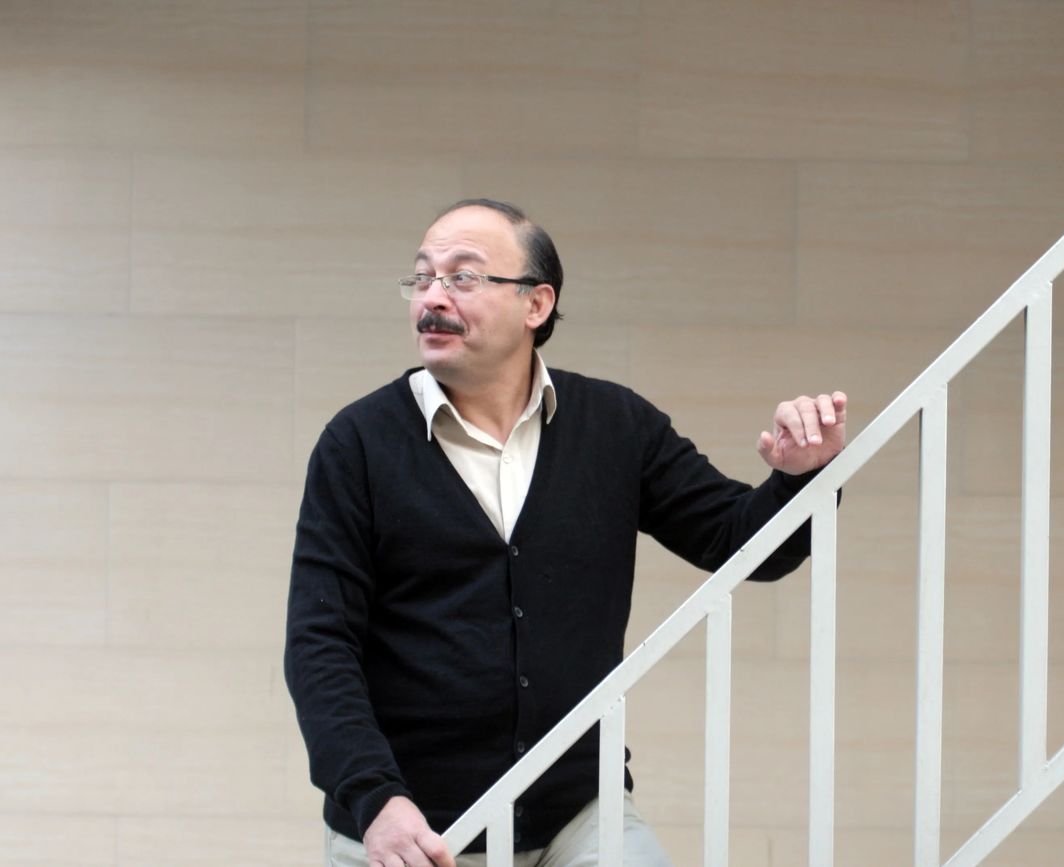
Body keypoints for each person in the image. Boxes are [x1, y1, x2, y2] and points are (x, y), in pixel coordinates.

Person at [285, 199, 848, 867]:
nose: (432, 297)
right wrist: (374, 798)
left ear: (537, 303)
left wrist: (801, 478)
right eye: (423, 276)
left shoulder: (616, 427)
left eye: (463, 276)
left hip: (578, 814)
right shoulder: (357, 443)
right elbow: (320, 644)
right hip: (416, 829)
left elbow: (741, 542)